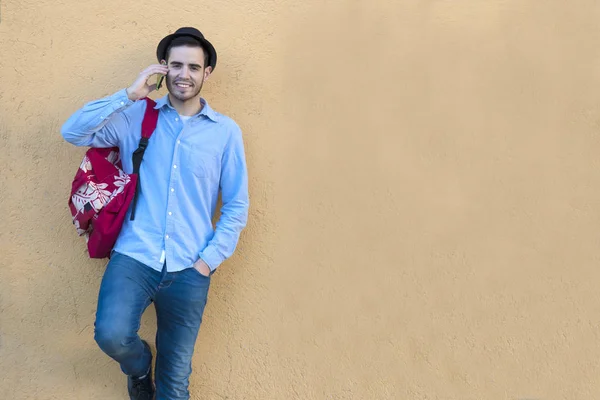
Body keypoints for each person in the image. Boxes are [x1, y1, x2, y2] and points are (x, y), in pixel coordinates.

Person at [61, 27, 249, 400]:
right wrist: (130, 94)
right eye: (176, 64)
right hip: (135, 255)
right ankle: (139, 364)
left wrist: (207, 262)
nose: (184, 74)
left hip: (190, 267)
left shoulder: (225, 133)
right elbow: (73, 132)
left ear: (206, 73)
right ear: (164, 67)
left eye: (194, 67)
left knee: (175, 384)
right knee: (111, 335)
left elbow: (237, 204)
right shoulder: (137, 117)